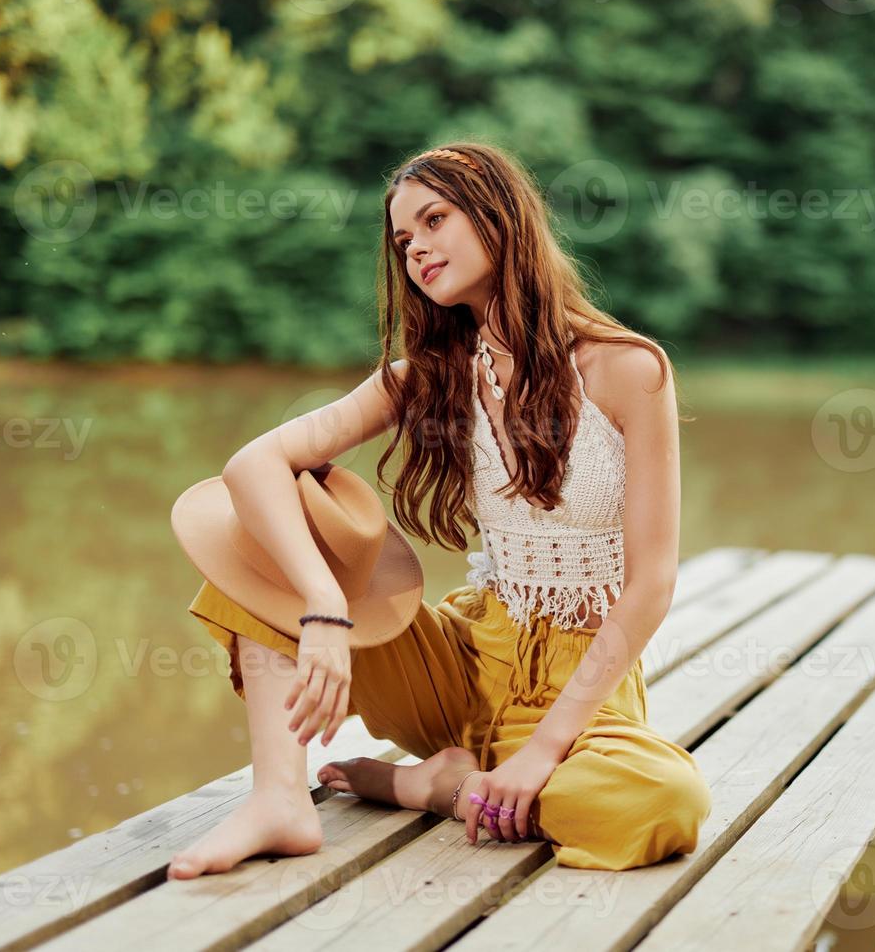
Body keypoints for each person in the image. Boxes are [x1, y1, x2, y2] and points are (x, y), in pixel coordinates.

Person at [166, 143, 710, 880]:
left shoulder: (628, 369)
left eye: (434, 218)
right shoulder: (428, 377)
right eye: (402, 239)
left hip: (584, 689)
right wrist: (325, 608)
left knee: (661, 802)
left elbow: (652, 585)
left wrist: (544, 751)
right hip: (459, 661)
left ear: (500, 215)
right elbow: (252, 466)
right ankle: (279, 801)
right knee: (244, 564)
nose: (416, 247)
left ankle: (442, 787)